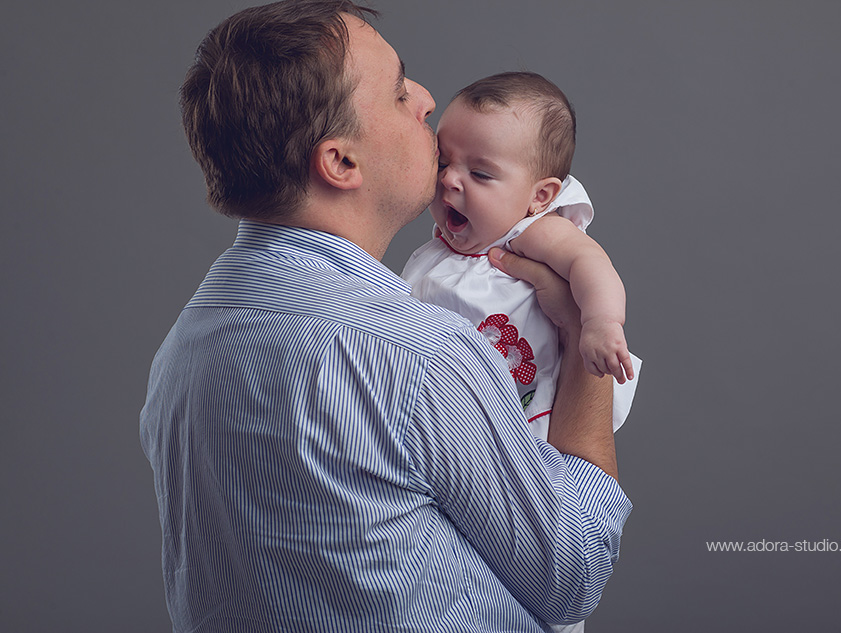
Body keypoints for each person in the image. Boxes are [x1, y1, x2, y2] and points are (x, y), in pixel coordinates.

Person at [140, 2, 631, 632]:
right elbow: (575, 575)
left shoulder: (187, 345)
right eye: (400, 92)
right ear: (341, 163)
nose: (428, 98)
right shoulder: (414, 355)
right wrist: (579, 347)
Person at [403, 72, 641, 441]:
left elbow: (589, 263)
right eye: (443, 161)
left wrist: (601, 322)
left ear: (540, 197)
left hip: (517, 414)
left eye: (480, 173)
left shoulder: (529, 231)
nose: (450, 180)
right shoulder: (445, 249)